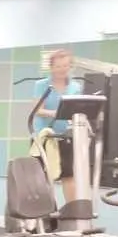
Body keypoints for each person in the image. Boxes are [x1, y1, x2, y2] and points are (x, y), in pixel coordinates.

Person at [31, 49, 83, 202]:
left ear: (70, 66)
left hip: (65, 136)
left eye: (65, 66)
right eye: (58, 66)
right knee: (42, 177)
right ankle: (43, 210)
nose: (62, 69)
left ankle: (72, 210)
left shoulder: (75, 87)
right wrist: (57, 113)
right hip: (44, 136)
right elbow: (37, 110)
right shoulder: (41, 85)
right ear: (51, 67)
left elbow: (77, 109)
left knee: (68, 175)